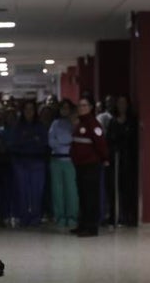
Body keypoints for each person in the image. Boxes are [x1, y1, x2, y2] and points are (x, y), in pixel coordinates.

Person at [70, 96, 109, 237]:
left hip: (91, 166)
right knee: (83, 197)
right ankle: (83, 224)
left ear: (90, 107)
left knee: (91, 197)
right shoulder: (79, 124)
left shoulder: (93, 125)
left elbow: (101, 145)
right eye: (79, 105)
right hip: (80, 166)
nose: (81, 108)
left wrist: (104, 158)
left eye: (84, 105)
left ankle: (92, 227)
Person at [8, 100, 50, 226]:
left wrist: (29, 140)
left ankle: (36, 217)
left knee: (37, 192)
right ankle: (23, 217)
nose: (29, 112)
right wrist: (31, 140)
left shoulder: (41, 126)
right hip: (21, 163)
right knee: (22, 191)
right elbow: (14, 144)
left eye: (31, 109)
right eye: (26, 109)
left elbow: (44, 143)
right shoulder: (18, 127)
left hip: (37, 163)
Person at [106, 94, 139, 226]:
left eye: (124, 103)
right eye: (119, 103)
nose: (122, 106)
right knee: (114, 187)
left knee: (127, 188)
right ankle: (114, 215)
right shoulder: (113, 121)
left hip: (128, 160)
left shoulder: (132, 121)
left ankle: (127, 215)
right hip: (116, 159)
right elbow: (109, 139)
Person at [48, 98, 79, 228]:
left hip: (70, 161)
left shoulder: (75, 123)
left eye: (67, 108)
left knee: (71, 191)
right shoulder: (55, 123)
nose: (64, 110)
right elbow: (51, 142)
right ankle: (59, 217)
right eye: (62, 108)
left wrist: (62, 141)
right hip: (56, 161)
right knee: (57, 191)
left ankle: (72, 217)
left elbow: (74, 139)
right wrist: (65, 142)